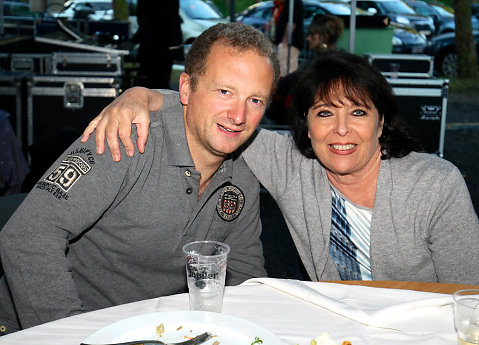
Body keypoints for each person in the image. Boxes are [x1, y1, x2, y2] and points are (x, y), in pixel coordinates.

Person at [82, 50, 479, 284]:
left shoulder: (435, 186)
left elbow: (470, 298)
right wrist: (139, 95)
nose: (341, 130)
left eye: (358, 112)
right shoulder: (291, 163)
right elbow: (212, 110)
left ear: (381, 122)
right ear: (307, 123)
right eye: (325, 113)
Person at [0, 23, 280, 334]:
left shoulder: (243, 171)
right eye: (225, 91)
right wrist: (70, 335)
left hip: (155, 332)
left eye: (255, 100)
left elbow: (245, 275)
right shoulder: (126, 137)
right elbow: (26, 236)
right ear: (186, 89)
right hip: (49, 328)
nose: (238, 115)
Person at [134, 0, 183, 88]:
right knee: (160, 81)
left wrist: (135, 40)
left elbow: (146, 21)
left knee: (152, 81)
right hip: (163, 45)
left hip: (156, 46)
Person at [274, 0, 303, 76]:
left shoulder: (293, 2)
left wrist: (285, 40)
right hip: (286, 42)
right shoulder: (286, 3)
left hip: (289, 43)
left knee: (286, 69)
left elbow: (293, 21)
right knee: (283, 68)